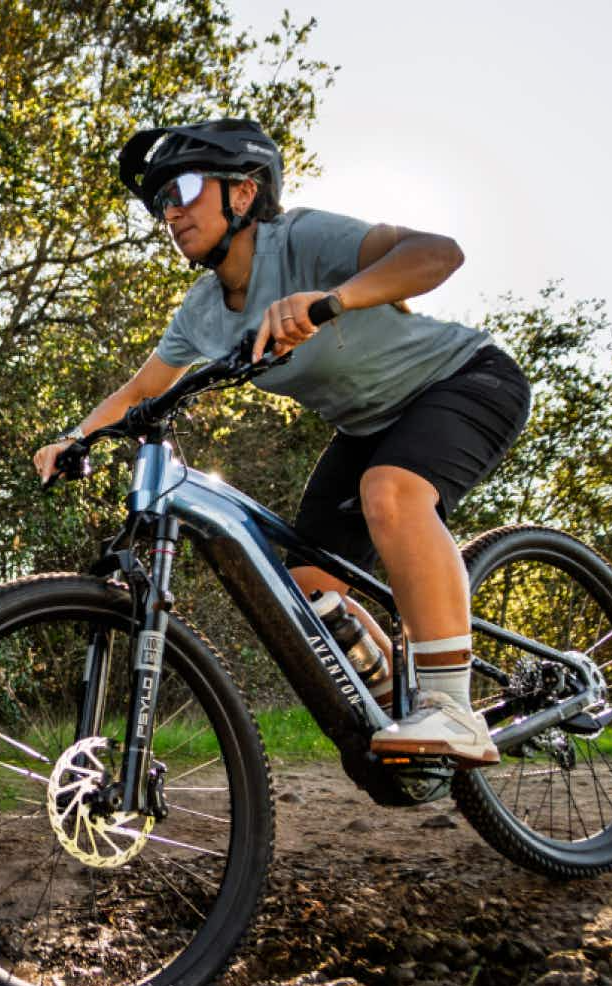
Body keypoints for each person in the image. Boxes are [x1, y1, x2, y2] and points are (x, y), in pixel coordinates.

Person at [33, 118, 531, 767]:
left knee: (391, 491)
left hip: (467, 379)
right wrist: (74, 437)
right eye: (160, 203)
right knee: (306, 587)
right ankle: (403, 721)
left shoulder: (300, 238)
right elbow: (138, 393)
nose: (171, 212)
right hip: (367, 426)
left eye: (183, 188)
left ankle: (450, 707)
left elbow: (439, 253)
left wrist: (334, 298)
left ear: (242, 193)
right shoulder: (203, 311)